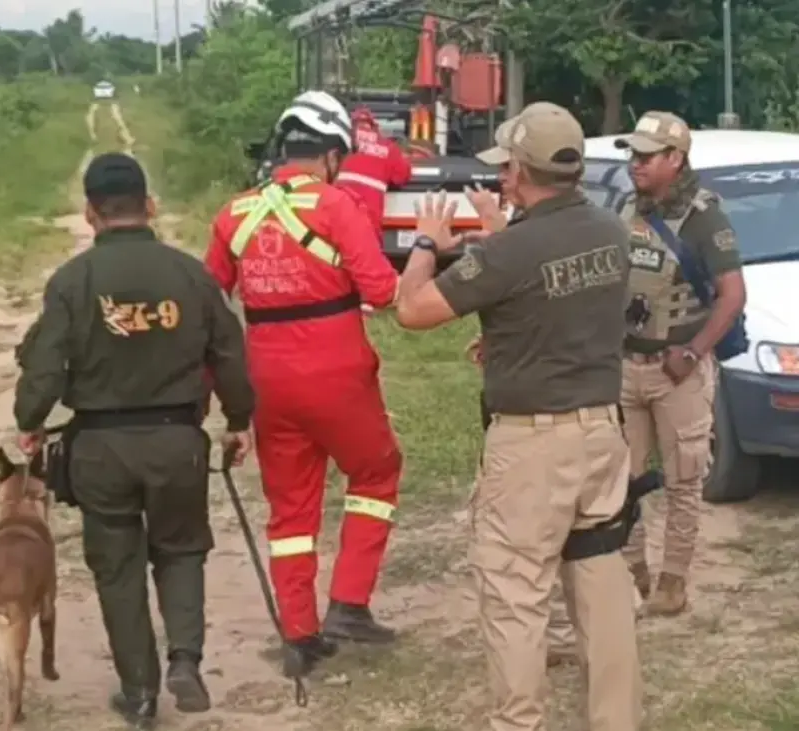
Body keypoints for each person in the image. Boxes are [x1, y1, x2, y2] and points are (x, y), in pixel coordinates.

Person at [395, 104, 642, 730]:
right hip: (601, 433)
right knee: (601, 584)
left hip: (534, 445)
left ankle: (519, 721)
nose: (502, 178)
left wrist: (427, 244)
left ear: (520, 173)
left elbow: (413, 311)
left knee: (515, 591)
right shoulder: (612, 231)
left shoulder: (510, 249)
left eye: (507, 168)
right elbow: (576, 309)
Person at [12, 152, 255, 729]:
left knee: (117, 569)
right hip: (177, 440)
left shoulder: (72, 281)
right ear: (148, 206)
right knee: (181, 548)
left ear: (90, 213)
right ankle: (185, 660)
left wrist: (30, 419)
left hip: (101, 448)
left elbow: (44, 369)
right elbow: (230, 353)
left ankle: (140, 692)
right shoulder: (190, 275)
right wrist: (239, 420)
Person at [204, 90, 403, 679]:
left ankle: (299, 633)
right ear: (333, 154)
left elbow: (208, 301)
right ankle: (349, 603)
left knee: (290, 510)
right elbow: (381, 290)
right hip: (338, 371)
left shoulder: (233, 213)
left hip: (266, 377)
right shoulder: (339, 206)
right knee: (376, 472)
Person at [614, 111, 747, 615]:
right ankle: (633, 576)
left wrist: (692, 353)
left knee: (684, 480)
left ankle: (672, 584)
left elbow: (731, 295)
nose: (636, 165)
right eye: (634, 155)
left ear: (676, 158)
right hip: (626, 365)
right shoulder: (626, 207)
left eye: (648, 156)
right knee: (619, 481)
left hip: (679, 373)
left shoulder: (704, 216)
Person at [336, 106, 412, 228]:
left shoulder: (340, 142)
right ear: (373, 126)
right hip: (369, 220)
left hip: (337, 214)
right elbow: (402, 175)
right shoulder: (388, 147)